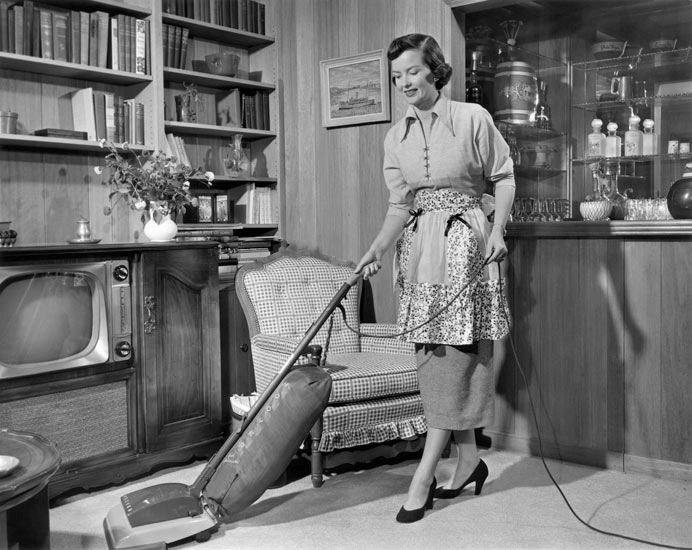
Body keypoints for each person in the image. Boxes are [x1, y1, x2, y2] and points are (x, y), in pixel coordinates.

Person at [355, 33, 515, 523]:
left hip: (467, 247)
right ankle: (468, 459)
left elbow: (504, 176)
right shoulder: (394, 136)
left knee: (456, 357)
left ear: (435, 71)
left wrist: (499, 233)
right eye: (397, 75)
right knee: (433, 357)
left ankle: (422, 477)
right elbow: (399, 205)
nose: (403, 82)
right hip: (419, 254)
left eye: (412, 72)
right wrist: (376, 250)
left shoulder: (471, 118)